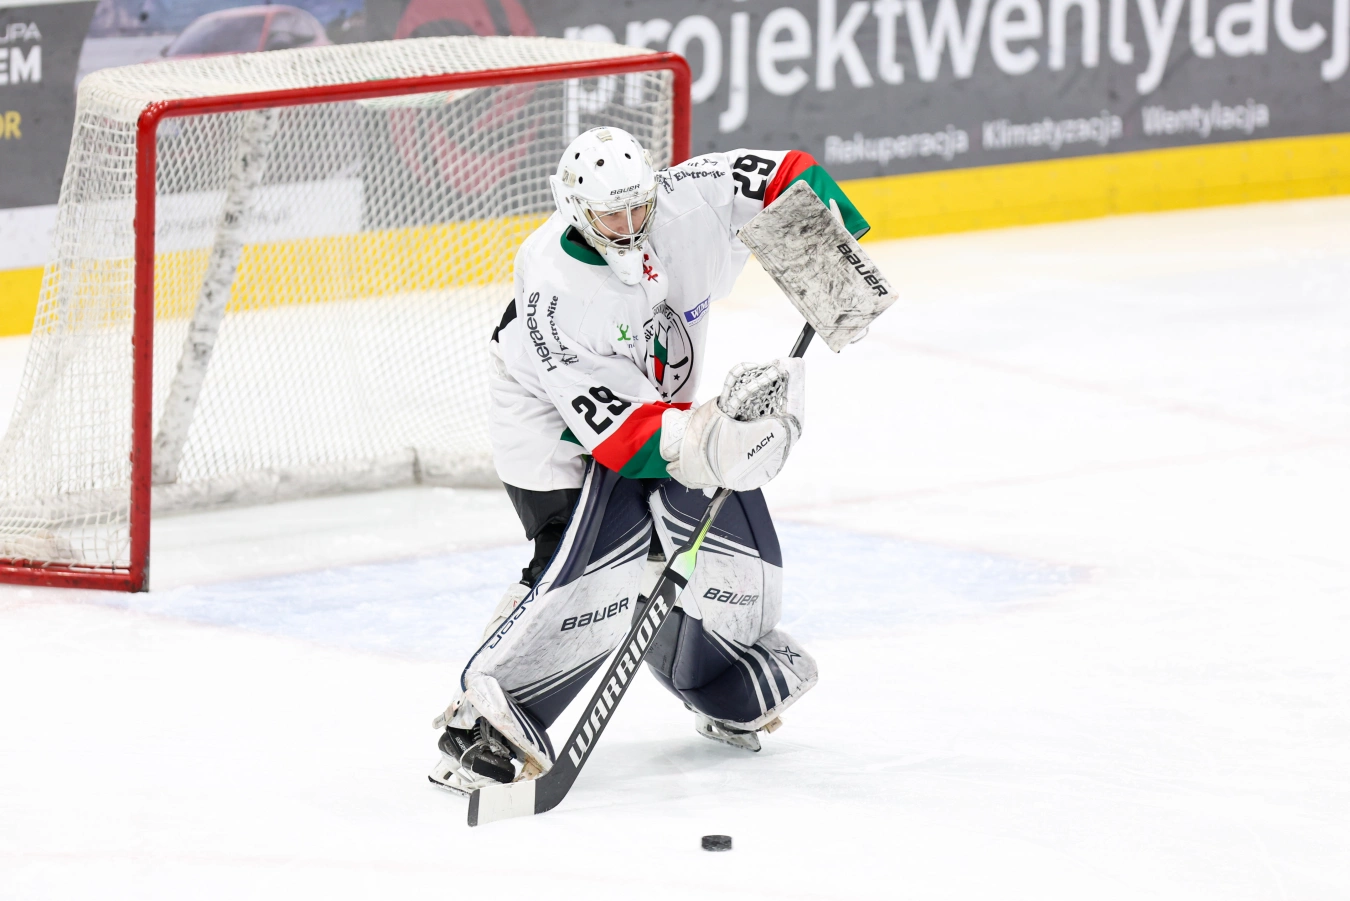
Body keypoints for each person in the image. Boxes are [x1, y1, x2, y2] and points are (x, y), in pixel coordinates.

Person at [429, 126, 870, 792]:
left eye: (640, 206)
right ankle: (481, 722)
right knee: (585, 555)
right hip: (547, 422)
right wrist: (710, 440)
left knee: (702, 532)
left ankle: (720, 675)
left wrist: (827, 239)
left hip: (654, 405)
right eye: (613, 215)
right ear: (575, 208)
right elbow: (622, 439)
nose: (632, 225)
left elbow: (786, 172)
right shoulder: (554, 286)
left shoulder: (686, 199)